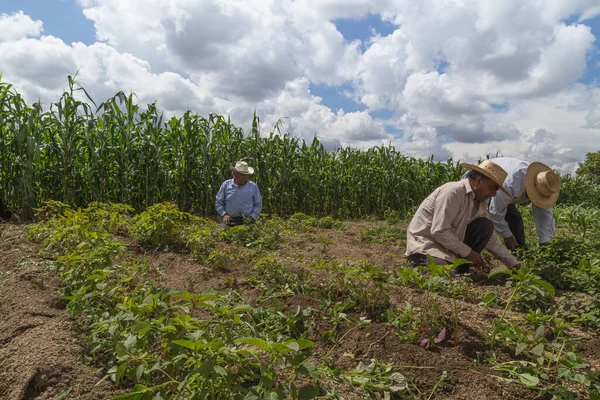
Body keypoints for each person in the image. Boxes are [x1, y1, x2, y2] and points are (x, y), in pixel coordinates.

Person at [406, 160, 519, 274]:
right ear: (478, 181)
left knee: (485, 226)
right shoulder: (453, 192)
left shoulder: (480, 202)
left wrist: (513, 263)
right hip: (427, 248)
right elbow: (439, 231)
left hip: (449, 249)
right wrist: (470, 253)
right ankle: (442, 266)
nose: (494, 194)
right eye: (493, 188)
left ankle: (459, 267)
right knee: (445, 274)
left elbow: (491, 239)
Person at [486, 158, 560, 250]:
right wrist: (507, 235)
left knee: (514, 218)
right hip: (484, 185)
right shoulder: (512, 183)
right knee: (481, 222)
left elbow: (545, 216)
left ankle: (518, 249)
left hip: (505, 194)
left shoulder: (545, 185)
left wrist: (545, 243)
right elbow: (495, 211)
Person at [215, 161, 262, 228]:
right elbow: (219, 202)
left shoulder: (253, 186)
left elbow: (258, 204)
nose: (244, 177)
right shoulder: (226, 185)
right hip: (229, 219)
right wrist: (224, 214)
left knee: (252, 235)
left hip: (247, 220)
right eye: (242, 175)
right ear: (235, 174)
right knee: (221, 233)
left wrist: (252, 217)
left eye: (246, 175)